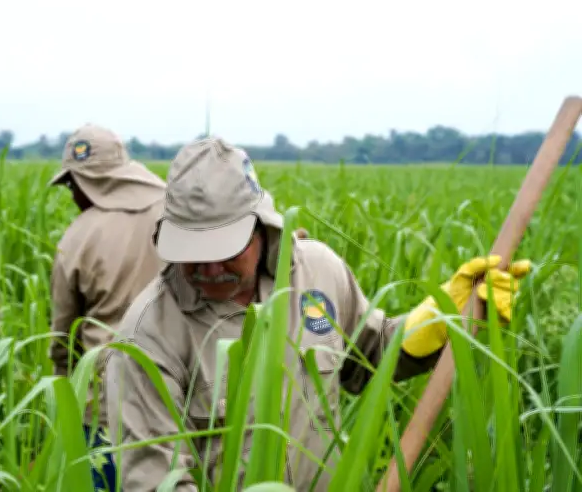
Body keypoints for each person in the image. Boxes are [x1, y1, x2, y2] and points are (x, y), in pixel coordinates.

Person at [103, 136, 532, 491]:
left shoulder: (319, 272)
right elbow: (154, 481)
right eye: (194, 254)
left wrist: (436, 322)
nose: (210, 270)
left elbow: (367, 358)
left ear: (261, 227)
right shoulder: (145, 337)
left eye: (226, 250)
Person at [47, 123, 167, 491]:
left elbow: (63, 341)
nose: (72, 196)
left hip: (104, 409)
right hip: (181, 401)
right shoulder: (180, 214)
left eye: (72, 185)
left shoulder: (78, 237)